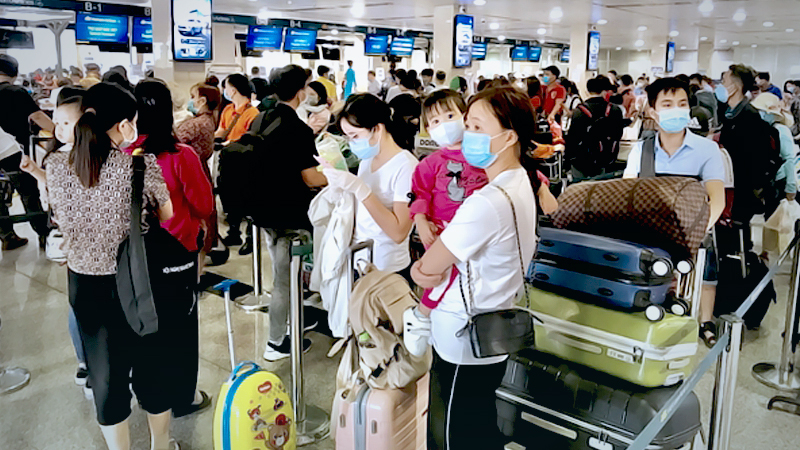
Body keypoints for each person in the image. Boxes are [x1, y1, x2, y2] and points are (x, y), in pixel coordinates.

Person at [36, 82, 179, 450]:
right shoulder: (138, 165)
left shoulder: (54, 165)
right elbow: (167, 214)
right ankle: (160, 447)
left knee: (106, 376)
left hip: (84, 285)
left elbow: (58, 212)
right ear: (124, 124)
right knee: (152, 369)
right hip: (136, 282)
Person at [408, 86, 537, 450]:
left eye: (477, 127)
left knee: (450, 435)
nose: (468, 136)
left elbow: (428, 267)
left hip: (461, 336)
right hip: (493, 326)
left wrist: (420, 271)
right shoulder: (520, 182)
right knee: (480, 426)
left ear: (509, 136)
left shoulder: (486, 202)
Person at [125, 79, 214, 418]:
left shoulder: (121, 153)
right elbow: (203, 205)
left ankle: (149, 394)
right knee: (180, 326)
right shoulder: (180, 156)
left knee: (145, 324)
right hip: (176, 254)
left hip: (135, 255)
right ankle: (182, 397)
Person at [623, 77, 726, 345]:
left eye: (682, 104)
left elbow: (717, 198)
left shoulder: (706, 150)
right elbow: (627, 195)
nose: (676, 109)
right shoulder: (642, 151)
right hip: (652, 231)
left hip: (694, 229)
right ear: (654, 111)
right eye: (667, 104)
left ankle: (706, 320)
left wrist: (695, 232)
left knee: (705, 271)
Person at [247, 65, 328, 360]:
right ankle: (276, 342)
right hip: (288, 215)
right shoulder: (298, 128)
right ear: (300, 92)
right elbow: (310, 178)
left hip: (262, 211)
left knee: (284, 274)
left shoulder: (260, 119)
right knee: (283, 280)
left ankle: (293, 322)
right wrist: (339, 175)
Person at [20, 93, 89, 393]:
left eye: (66, 122)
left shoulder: (95, 156)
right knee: (78, 305)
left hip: (93, 245)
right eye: (57, 121)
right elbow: (55, 202)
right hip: (75, 247)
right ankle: (85, 362)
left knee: (87, 304)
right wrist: (36, 173)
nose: (59, 129)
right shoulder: (59, 157)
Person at [406, 89, 488, 337]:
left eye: (450, 115)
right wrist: (420, 220)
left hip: (478, 229)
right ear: (428, 129)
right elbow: (419, 193)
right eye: (435, 121)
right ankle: (422, 315)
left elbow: (515, 171)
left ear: (466, 116)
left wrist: (541, 187)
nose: (444, 125)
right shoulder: (429, 163)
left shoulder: (484, 152)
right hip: (440, 227)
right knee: (440, 273)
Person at [323, 93, 418, 277]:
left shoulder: (407, 167)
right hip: (359, 259)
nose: (352, 143)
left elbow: (399, 233)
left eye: (355, 136)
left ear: (377, 129)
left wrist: (362, 191)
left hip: (387, 268)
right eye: (348, 138)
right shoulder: (367, 159)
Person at [717, 64, 781, 253]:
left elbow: (754, 161)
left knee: (737, 236)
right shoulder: (730, 114)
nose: (720, 85)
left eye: (724, 81)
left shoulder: (749, 118)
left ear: (734, 87)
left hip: (741, 190)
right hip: (731, 187)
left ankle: (740, 268)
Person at [0, 54, 54, 250]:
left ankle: (7, 235)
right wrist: (59, 132)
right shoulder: (16, 91)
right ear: (13, 73)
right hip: (15, 150)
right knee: (28, 191)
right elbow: (38, 116)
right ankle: (43, 234)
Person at [176, 83, 221, 259]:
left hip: (190, 173)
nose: (191, 101)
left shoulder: (195, 124)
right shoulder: (208, 121)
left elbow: (174, 142)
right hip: (202, 171)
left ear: (202, 100)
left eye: (193, 97)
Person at [217, 74, 260, 246]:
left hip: (245, 162)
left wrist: (230, 143)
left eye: (226, 87)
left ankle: (251, 238)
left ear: (233, 90)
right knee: (229, 197)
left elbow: (252, 139)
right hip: (227, 160)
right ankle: (233, 233)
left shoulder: (252, 113)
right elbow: (221, 130)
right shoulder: (228, 109)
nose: (225, 91)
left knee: (247, 199)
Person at [566, 75, 625, 178]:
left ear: (587, 91)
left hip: (582, 160)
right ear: (604, 91)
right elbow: (618, 134)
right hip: (607, 158)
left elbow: (573, 138)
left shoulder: (580, 111)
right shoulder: (615, 110)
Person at [750, 93, 798, 217]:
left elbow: (789, 159)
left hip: (780, 182)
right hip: (769, 182)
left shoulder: (781, 131)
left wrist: (791, 187)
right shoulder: (764, 130)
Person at [388, 75, 422, 151]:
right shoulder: (420, 100)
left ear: (403, 86)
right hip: (413, 134)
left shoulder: (397, 99)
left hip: (397, 133)